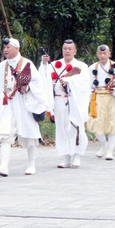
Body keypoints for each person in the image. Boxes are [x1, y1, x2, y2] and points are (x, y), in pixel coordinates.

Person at [0, 38, 50, 176]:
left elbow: (38, 83)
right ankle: (4, 166)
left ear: (16, 48)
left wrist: (27, 87)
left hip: (24, 103)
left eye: (8, 47)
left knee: (29, 134)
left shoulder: (27, 63)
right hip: (8, 103)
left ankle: (31, 164)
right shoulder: (2, 66)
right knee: (5, 133)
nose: (5, 50)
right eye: (4, 47)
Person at [39, 40, 90, 168]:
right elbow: (44, 78)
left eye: (70, 48)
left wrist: (70, 81)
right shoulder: (55, 64)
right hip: (59, 100)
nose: (67, 51)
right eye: (65, 48)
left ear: (75, 51)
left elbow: (84, 82)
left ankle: (77, 155)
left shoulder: (81, 65)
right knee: (61, 128)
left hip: (74, 100)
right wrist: (44, 64)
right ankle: (65, 157)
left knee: (75, 126)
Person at [87, 45, 115, 161]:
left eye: (104, 53)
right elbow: (87, 84)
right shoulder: (92, 68)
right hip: (98, 98)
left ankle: (110, 151)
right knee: (96, 124)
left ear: (109, 54)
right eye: (100, 54)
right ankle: (104, 145)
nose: (102, 56)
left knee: (113, 124)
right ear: (97, 54)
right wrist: (90, 91)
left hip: (112, 98)